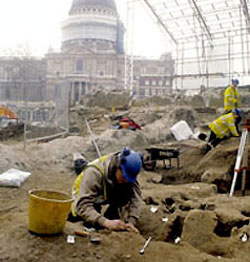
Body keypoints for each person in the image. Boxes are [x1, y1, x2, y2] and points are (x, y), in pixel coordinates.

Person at [68, 147, 143, 233]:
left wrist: (131, 221)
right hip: (83, 194)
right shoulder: (94, 173)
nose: (126, 180)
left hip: (106, 188)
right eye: (124, 177)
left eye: (129, 179)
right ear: (117, 167)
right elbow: (83, 205)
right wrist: (105, 222)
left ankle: (112, 215)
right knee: (89, 220)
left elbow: (135, 199)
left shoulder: (127, 170)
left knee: (126, 191)